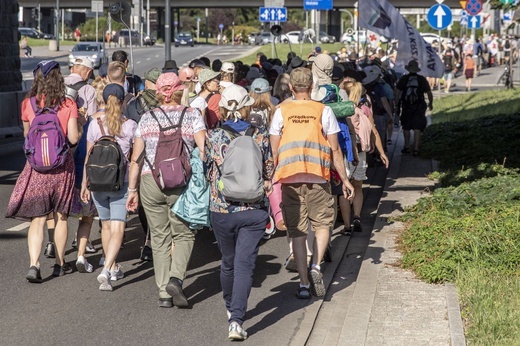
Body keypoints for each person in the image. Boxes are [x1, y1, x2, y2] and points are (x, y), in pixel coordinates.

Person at [269, 67, 355, 299]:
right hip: (318, 177)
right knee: (323, 225)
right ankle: (316, 265)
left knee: (297, 232)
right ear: (311, 87)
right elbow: (335, 149)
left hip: (289, 178)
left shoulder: (281, 111)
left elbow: (273, 150)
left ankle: (304, 284)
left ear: (290, 87)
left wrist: (269, 179)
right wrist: (345, 180)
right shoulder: (323, 110)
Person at [126, 72, 206, 308]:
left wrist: (132, 190)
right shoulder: (192, 115)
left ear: (158, 93)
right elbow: (204, 149)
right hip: (180, 181)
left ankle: (164, 293)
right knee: (184, 233)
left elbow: (135, 159)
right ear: (181, 91)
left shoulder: (147, 118)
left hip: (151, 182)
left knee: (159, 238)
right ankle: (176, 278)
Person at [204, 84, 273, 340]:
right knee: (246, 265)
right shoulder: (260, 135)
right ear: (246, 106)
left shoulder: (214, 136)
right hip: (253, 209)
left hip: (222, 209)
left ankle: (230, 305)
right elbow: (268, 172)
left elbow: (207, 169)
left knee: (228, 262)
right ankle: (236, 320)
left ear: (222, 108)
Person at [6, 60, 81, 282]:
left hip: (36, 168)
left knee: (38, 218)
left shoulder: (28, 104)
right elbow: (74, 138)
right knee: (61, 216)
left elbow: (27, 138)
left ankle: (34, 264)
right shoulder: (68, 104)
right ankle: (60, 263)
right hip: (61, 168)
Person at [80, 83, 136, 290]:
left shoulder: (94, 125)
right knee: (118, 227)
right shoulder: (130, 125)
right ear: (122, 102)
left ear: (103, 100)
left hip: (97, 183)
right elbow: (135, 158)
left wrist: (84, 183)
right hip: (120, 183)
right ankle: (107, 269)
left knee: (105, 225)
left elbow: (88, 156)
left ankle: (111, 266)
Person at [340, 69, 389, 234]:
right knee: (358, 187)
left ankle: (346, 226)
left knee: (344, 189)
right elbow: (373, 132)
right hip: (361, 153)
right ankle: (357, 216)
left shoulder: (339, 110)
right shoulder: (364, 109)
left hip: (344, 153)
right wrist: (381, 153)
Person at [64, 57, 99, 264]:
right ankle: (81, 246)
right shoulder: (88, 90)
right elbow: (92, 119)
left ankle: (52, 243)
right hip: (79, 141)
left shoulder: (58, 85)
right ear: (86, 72)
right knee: (81, 186)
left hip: (59, 144)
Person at [395, 60, 433, 156]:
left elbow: (397, 91)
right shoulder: (421, 79)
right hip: (419, 105)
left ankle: (407, 146)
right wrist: (430, 103)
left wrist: (396, 104)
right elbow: (429, 92)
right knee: (417, 127)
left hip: (406, 105)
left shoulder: (404, 79)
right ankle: (416, 148)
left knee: (406, 126)